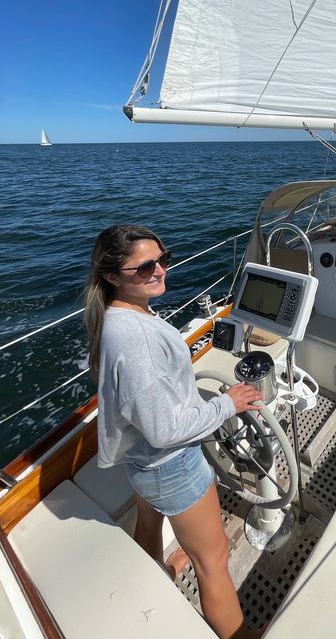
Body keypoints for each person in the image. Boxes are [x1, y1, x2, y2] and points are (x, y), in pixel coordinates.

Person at [83, 224, 263, 639]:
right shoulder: (135, 340)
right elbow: (165, 430)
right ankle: (241, 636)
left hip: (144, 465)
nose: (160, 270)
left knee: (149, 523)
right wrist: (227, 404)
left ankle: (156, 578)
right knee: (213, 559)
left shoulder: (121, 315)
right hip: (172, 465)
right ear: (112, 276)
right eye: (145, 267)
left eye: (163, 258)